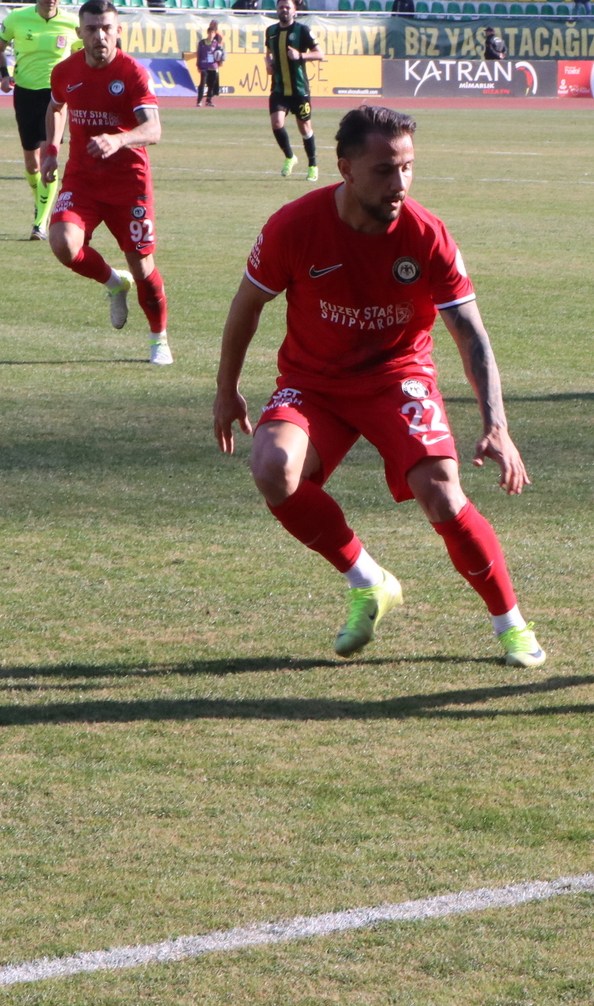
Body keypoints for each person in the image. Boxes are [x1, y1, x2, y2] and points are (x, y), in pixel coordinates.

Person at [212, 105, 546, 669]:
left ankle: (511, 625)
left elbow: (471, 334)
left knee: (441, 490)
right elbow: (246, 307)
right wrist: (227, 389)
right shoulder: (294, 226)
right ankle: (369, 581)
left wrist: (498, 426)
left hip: (399, 377)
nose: (399, 185)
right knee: (272, 468)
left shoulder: (427, 234)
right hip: (314, 383)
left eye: (408, 168)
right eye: (385, 170)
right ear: (344, 167)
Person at [41, 0, 171, 365]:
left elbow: (154, 128)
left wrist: (119, 139)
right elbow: (56, 107)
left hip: (128, 184)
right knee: (63, 243)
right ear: (80, 33)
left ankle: (158, 337)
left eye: (106, 28)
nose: (100, 35)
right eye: (92, 29)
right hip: (82, 179)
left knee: (142, 268)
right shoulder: (65, 71)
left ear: (118, 31)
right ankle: (113, 282)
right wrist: (52, 148)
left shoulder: (132, 74)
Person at [0, 0, 81, 238]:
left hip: (55, 97)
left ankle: (41, 223)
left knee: (47, 156)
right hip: (25, 94)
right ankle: (40, 202)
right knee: (31, 163)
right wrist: (4, 75)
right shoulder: (17, 19)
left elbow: (82, 54)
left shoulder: (71, 23)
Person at [265, 0, 323, 181]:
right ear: (277, 9)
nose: (284, 10)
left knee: (305, 128)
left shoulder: (302, 30)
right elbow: (269, 53)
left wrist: (300, 56)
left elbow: (319, 54)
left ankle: (313, 165)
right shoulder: (271, 31)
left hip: (299, 89)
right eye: (281, 7)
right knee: (276, 123)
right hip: (279, 88)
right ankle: (290, 157)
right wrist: (269, 63)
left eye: (287, 7)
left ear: (294, 10)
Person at [195, 20, 225, 108]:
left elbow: (221, 53)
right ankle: (199, 100)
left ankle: (209, 100)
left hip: (213, 66)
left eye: (213, 34)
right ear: (208, 33)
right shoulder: (202, 43)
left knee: (211, 84)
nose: (211, 35)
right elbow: (199, 54)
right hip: (204, 66)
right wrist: (198, 64)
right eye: (210, 33)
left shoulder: (216, 44)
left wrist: (221, 60)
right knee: (202, 83)